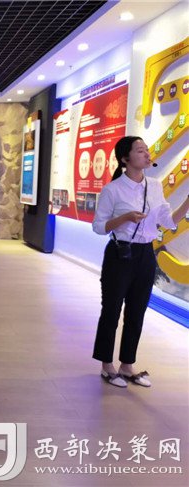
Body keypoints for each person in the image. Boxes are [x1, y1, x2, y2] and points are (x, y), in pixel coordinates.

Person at [92, 136, 189, 388]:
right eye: (140, 150)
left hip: (146, 254)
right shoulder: (112, 190)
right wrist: (124, 218)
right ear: (125, 159)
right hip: (119, 254)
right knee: (111, 311)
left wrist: (187, 202)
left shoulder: (154, 186)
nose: (147, 154)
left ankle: (127, 365)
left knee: (137, 312)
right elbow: (99, 227)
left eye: (146, 150)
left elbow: (168, 221)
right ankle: (106, 365)